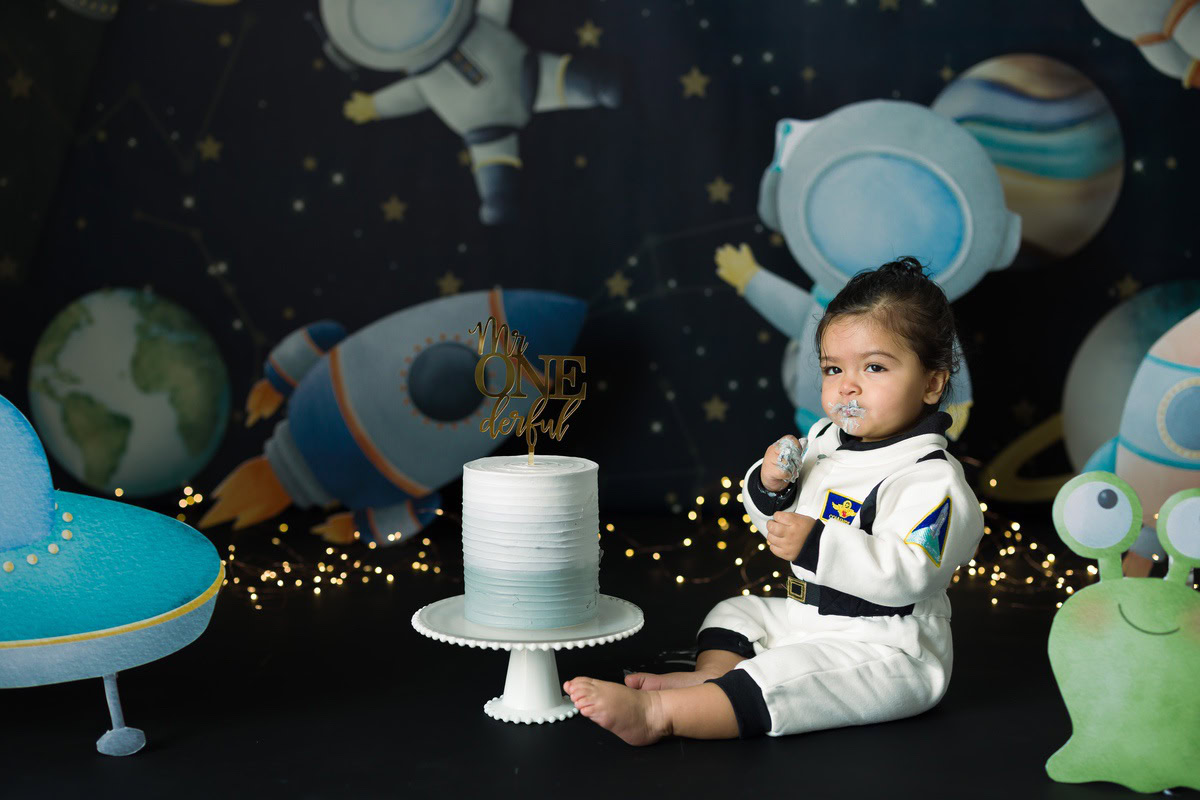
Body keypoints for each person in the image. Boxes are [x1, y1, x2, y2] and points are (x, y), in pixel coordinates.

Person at [564, 256, 985, 745]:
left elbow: (913, 571)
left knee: (786, 678)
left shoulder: (929, 480)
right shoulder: (826, 439)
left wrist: (816, 543)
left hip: (884, 647)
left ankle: (661, 712)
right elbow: (777, 527)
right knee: (735, 613)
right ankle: (713, 681)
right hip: (808, 617)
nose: (847, 385)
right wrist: (771, 488)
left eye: (874, 366)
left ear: (932, 383)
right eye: (833, 368)